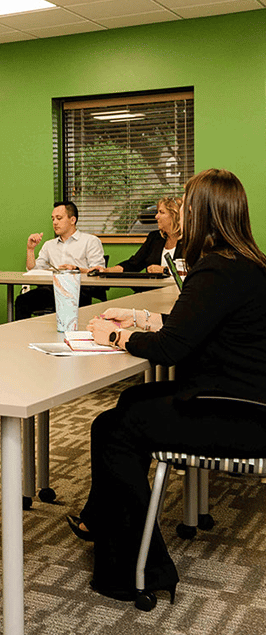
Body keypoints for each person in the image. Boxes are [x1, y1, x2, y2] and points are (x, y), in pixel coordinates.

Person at [77, 169, 266, 602]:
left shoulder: (216, 269)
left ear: (202, 214)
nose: (180, 215)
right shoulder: (246, 264)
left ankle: (135, 571)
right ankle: (104, 524)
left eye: (186, 206)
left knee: (114, 431)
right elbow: (200, 326)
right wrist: (139, 319)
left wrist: (116, 336)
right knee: (129, 402)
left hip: (238, 414)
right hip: (247, 400)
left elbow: (172, 348)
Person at [15, 201, 105, 319]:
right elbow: (33, 270)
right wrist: (30, 249)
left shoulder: (90, 241)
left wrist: (76, 269)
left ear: (73, 220)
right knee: (22, 301)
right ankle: (23, 337)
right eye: (53, 219)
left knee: (68, 305)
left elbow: (98, 271)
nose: (55, 223)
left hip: (79, 291)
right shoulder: (49, 245)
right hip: (51, 290)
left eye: (59, 218)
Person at [102, 196, 183, 273]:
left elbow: (189, 270)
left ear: (175, 216)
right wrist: (106, 270)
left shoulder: (190, 240)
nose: (156, 216)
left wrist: (165, 270)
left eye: (161, 212)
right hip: (155, 287)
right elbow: (133, 264)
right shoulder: (154, 238)